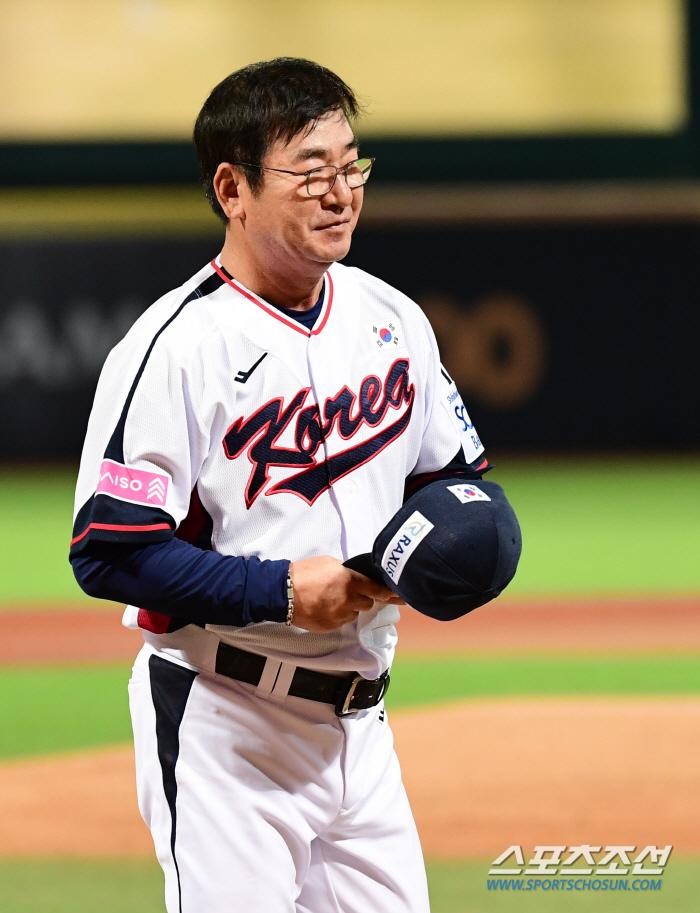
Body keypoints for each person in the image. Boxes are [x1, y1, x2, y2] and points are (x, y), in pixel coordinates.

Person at [70, 58, 490, 913]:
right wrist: (279, 591)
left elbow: (452, 476)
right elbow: (108, 549)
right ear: (233, 187)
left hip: (362, 726)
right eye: (311, 172)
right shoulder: (174, 347)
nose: (341, 192)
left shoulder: (391, 317)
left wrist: (465, 543)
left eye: (351, 166)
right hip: (227, 719)